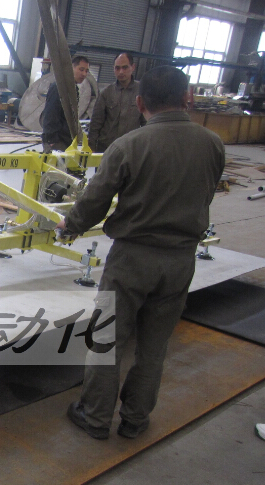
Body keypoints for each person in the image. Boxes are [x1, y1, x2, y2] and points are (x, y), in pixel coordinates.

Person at [57, 66, 225, 439]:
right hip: (180, 260)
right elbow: (206, 191)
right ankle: (135, 419)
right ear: (187, 97)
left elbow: (96, 200)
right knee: (153, 346)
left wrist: (70, 225)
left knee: (107, 339)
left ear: (139, 102)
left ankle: (95, 416)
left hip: (132, 260)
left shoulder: (129, 145)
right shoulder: (213, 144)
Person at [88, 52, 145, 153]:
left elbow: (146, 123)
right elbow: (96, 123)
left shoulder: (141, 92)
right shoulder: (106, 93)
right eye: (117, 68)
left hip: (130, 148)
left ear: (133, 67)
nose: (121, 72)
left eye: (125, 67)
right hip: (106, 148)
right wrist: (91, 148)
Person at [41, 55, 90, 152]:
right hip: (57, 141)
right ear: (71, 68)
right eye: (81, 69)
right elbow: (50, 114)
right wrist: (52, 140)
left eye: (86, 71)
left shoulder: (74, 89)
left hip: (66, 140)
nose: (84, 74)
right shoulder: (59, 88)